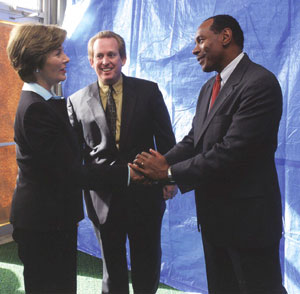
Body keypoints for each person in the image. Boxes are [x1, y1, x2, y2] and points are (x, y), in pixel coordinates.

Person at [131, 15, 287, 294]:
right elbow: (194, 140)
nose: (194, 49)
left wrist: (167, 173)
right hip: (215, 221)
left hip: (250, 224)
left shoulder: (259, 83)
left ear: (225, 37)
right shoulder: (208, 88)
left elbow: (232, 152)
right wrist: (163, 161)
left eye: (201, 40)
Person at [7, 23, 142, 294]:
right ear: (36, 59)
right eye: (58, 52)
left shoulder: (47, 103)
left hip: (53, 220)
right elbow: (69, 172)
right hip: (43, 224)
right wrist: (128, 173)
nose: (66, 58)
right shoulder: (36, 110)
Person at [67, 30, 176, 294]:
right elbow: (75, 158)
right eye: (99, 55)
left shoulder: (148, 91)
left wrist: (169, 178)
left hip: (146, 195)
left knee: (147, 264)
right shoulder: (76, 101)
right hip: (102, 200)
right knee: (112, 269)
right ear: (91, 61)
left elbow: (166, 140)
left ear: (123, 58)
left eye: (111, 54)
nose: (105, 61)